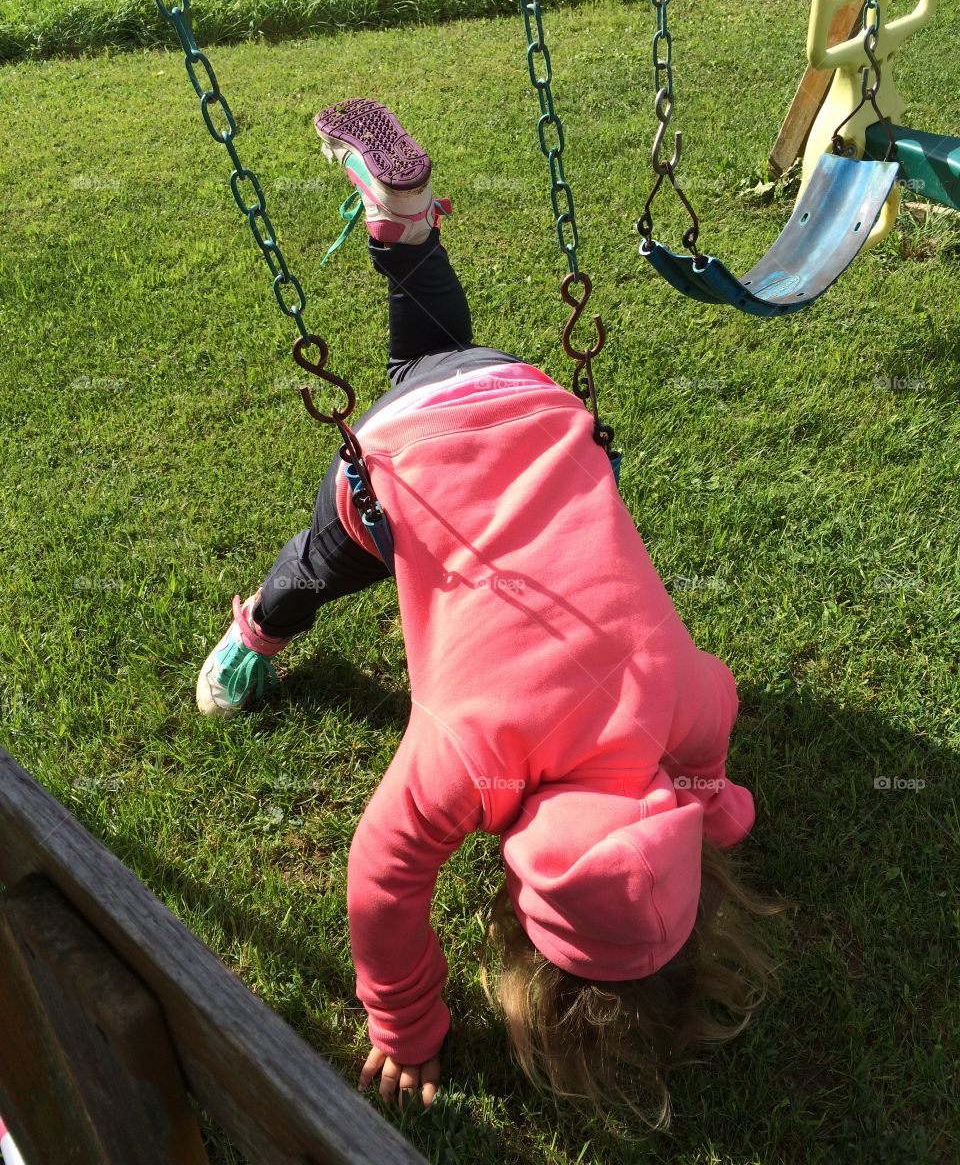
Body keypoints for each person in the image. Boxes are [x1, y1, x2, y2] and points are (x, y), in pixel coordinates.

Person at [196, 99, 782, 1119]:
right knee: (324, 560)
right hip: (405, 462)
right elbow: (380, 889)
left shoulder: (681, 700)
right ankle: (256, 633)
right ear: (520, 912)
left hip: (527, 404)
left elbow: (713, 718)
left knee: (434, 360)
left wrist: (717, 797)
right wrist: (407, 1026)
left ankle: (406, 227)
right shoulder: (469, 756)